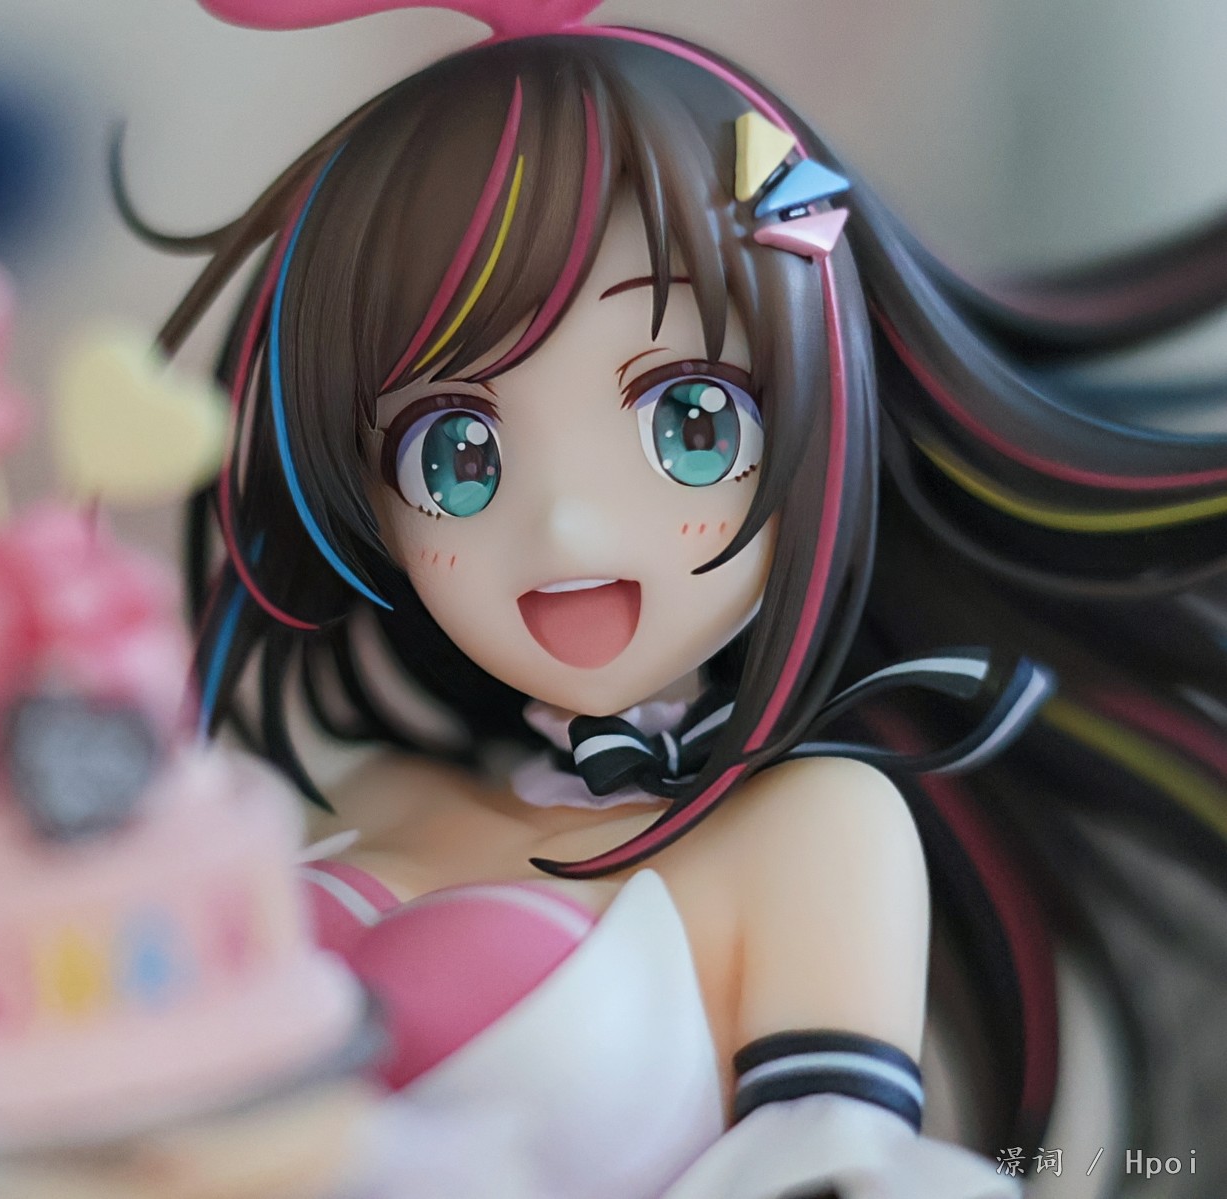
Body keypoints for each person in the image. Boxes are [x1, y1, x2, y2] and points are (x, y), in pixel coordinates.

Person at [117, 3, 1227, 1195]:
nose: (563, 528)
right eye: (453, 455)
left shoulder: (811, 828)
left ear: (820, 417)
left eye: (687, 422)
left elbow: (837, 1165)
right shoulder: (360, 786)